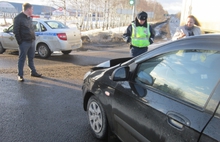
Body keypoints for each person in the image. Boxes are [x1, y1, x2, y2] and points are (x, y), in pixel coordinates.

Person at [13, 3, 42, 82]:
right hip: (24, 42)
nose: (32, 11)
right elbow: (16, 31)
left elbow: (31, 28)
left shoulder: (29, 18)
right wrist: (20, 42)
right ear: (28, 9)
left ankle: (33, 72)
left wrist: (34, 38)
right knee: (22, 59)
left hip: (32, 41)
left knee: (31, 58)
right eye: (32, 9)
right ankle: (20, 75)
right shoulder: (18, 18)